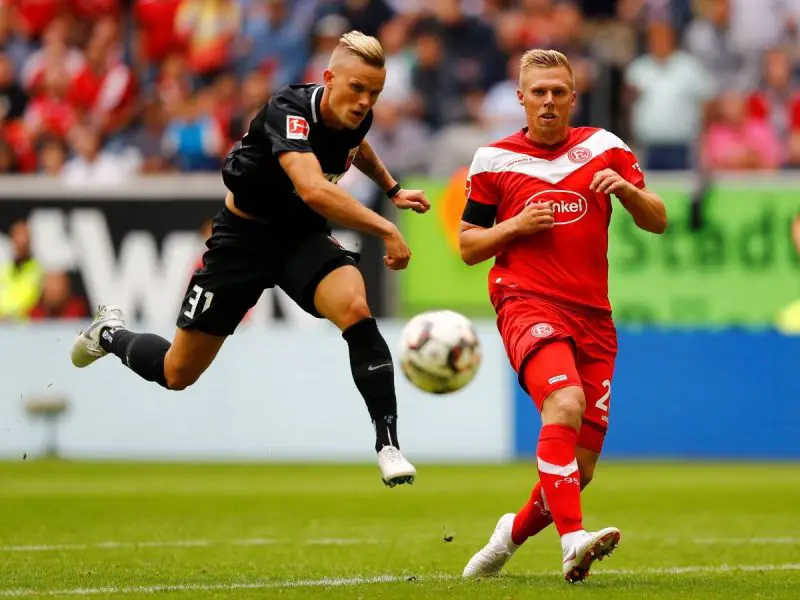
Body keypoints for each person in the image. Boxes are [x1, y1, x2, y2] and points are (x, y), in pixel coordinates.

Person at [69, 31, 431, 488]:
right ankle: (108, 333)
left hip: (299, 238)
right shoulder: (289, 109)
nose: (365, 102)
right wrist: (387, 228)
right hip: (242, 241)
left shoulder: (356, 115)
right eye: (357, 88)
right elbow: (314, 190)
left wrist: (392, 189)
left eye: (374, 93)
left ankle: (388, 444)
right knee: (177, 373)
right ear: (328, 78)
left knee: (356, 309)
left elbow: (357, 147)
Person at [459, 49, 667, 582]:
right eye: (538, 92)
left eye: (558, 92)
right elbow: (468, 246)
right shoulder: (493, 160)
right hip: (526, 301)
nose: (548, 101)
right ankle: (573, 541)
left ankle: (509, 536)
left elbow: (658, 220)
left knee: (581, 468)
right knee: (565, 402)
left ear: (573, 97)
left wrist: (628, 191)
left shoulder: (605, 148)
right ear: (521, 98)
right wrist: (515, 226)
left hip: (593, 317)